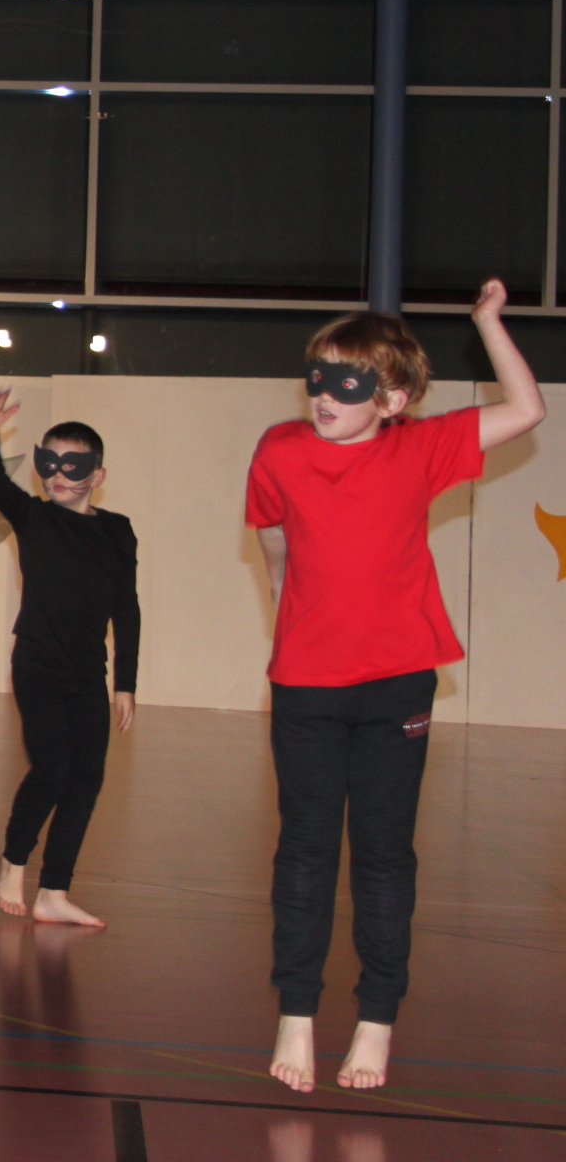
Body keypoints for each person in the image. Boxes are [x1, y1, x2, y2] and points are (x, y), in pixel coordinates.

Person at [251, 282, 542, 1094]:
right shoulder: (279, 450)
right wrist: (282, 604)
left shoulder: (422, 449)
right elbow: (272, 534)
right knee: (304, 849)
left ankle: (376, 1017)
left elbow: (526, 409)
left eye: (347, 383)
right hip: (307, 684)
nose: (323, 396)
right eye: (317, 376)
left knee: (383, 853)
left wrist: (487, 324)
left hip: (396, 684)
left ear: (393, 399)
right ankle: (296, 1012)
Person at [0, 394, 140, 928]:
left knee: (86, 779)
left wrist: (126, 683)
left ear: (97, 475)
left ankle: (54, 891)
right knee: (51, 769)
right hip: (38, 666)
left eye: (73, 465)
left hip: (88, 673)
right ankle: (13, 860)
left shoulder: (117, 530)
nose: (58, 475)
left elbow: (126, 607)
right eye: (49, 463)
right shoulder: (33, 517)